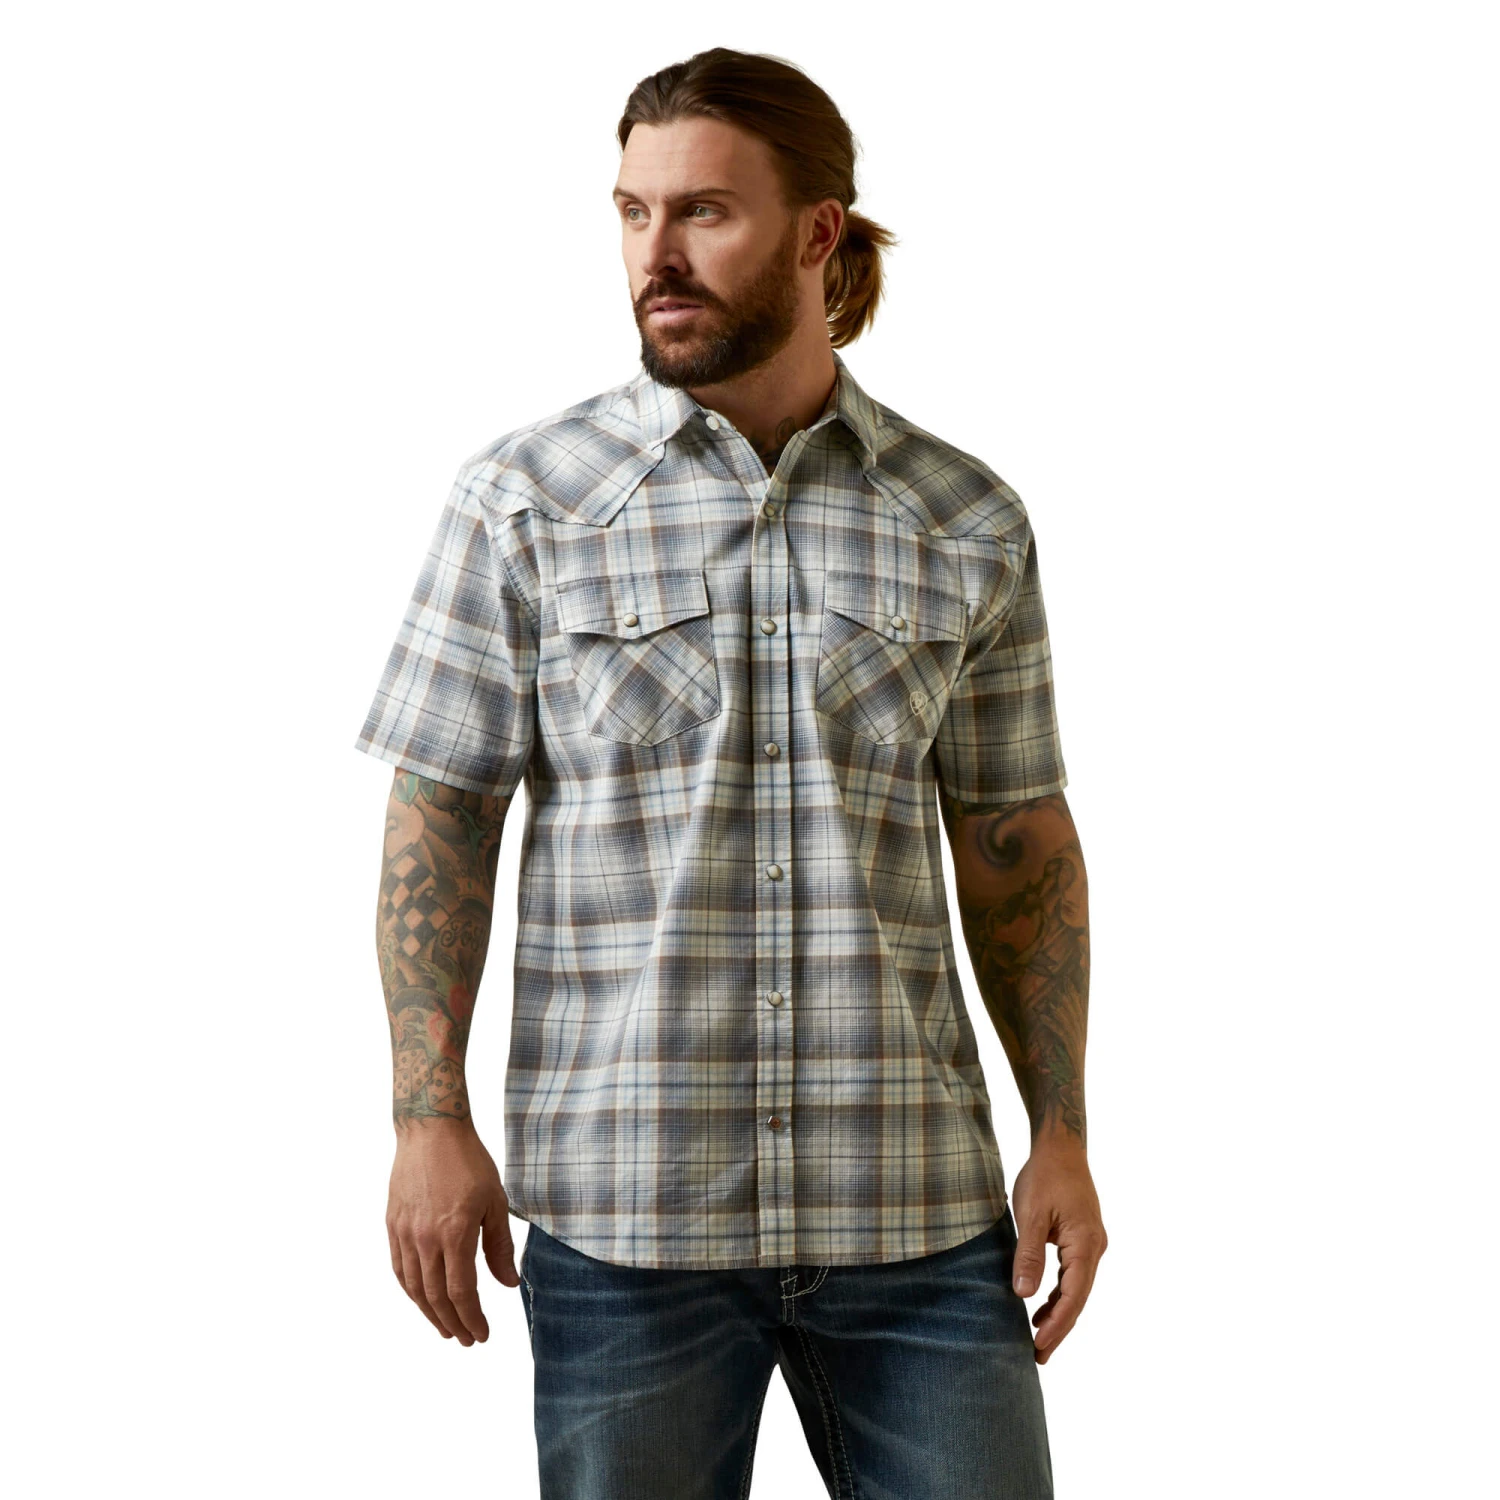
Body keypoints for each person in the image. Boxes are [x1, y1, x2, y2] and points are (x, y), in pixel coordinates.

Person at [355, 45, 1106, 1500]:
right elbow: (439, 818)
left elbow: (1017, 840)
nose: (657, 256)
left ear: (819, 233)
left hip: (917, 1217)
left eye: (703, 212)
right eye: (633, 213)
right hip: (626, 1224)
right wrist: (425, 1119)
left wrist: (1063, 1136)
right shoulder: (526, 501)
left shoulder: (964, 518)